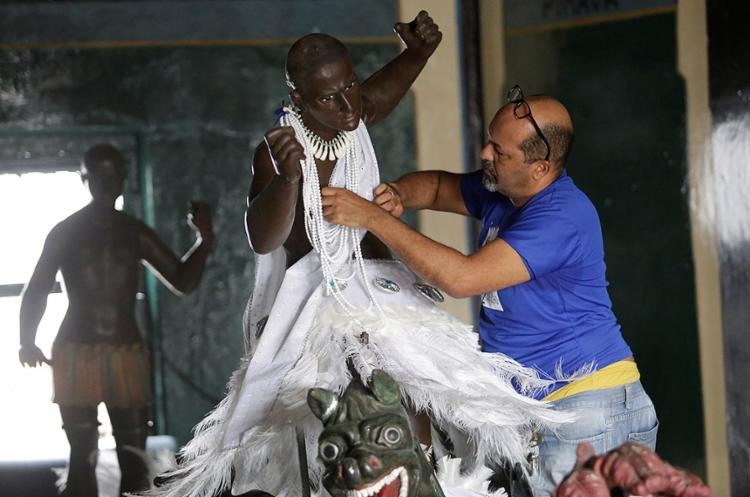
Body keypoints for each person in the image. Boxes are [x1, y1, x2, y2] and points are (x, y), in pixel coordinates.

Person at [148, 17, 568, 497]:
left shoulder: (352, 116)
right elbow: (262, 240)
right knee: (343, 417)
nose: (349, 103)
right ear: (300, 100)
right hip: (318, 305)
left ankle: (427, 476)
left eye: (350, 84)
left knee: (421, 398)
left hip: (381, 290)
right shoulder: (278, 150)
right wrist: (288, 181)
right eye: (330, 96)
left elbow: (377, 97)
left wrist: (419, 53)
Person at [321, 85, 658, 496]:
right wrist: (400, 195)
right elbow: (441, 187)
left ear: (540, 167)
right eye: (490, 142)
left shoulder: (562, 215)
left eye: (501, 152)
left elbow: (462, 279)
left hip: (588, 408)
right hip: (545, 410)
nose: (485, 154)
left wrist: (372, 217)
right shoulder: (508, 191)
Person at [19, 143, 213, 497]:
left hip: (126, 353)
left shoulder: (133, 231)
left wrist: (205, 240)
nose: (107, 182)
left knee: (134, 457)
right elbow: (36, 289)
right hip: (76, 352)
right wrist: (26, 340)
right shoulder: (65, 232)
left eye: (114, 174)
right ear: (84, 178)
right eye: (98, 175)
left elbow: (182, 281)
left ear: (124, 178)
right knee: (82, 455)